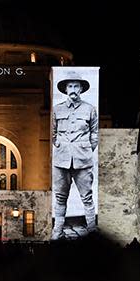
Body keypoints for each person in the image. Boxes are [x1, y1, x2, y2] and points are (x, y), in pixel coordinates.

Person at [51, 71, 99, 239]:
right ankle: (57, 231)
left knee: (87, 197)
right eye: (70, 86)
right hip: (61, 161)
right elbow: (52, 133)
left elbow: (95, 134)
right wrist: (60, 146)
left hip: (83, 160)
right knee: (60, 197)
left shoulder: (90, 109)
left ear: (81, 89)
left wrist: (86, 149)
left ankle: (92, 230)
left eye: (76, 86)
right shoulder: (56, 110)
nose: (73, 89)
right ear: (65, 89)